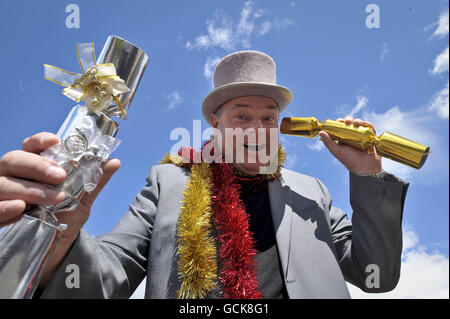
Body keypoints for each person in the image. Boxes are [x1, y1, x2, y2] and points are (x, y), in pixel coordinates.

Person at [0, 51, 409, 299]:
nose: (257, 127)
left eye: (269, 117)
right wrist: (59, 241)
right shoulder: (167, 182)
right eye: (242, 115)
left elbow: (376, 277)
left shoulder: (312, 192)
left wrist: (368, 175)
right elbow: (112, 271)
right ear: (216, 122)